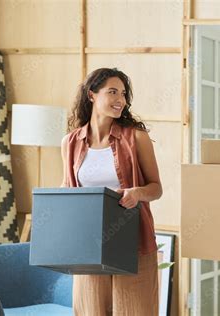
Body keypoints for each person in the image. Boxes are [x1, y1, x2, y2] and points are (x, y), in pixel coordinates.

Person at [60, 68, 162, 315]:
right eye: (112, 92)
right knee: (91, 310)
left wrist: (136, 193)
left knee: (136, 310)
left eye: (124, 94)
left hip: (132, 240)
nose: (121, 100)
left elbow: (156, 188)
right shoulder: (70, 142)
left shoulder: (136, 138)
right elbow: (67, 187)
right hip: (88, 243)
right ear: (92, 94)